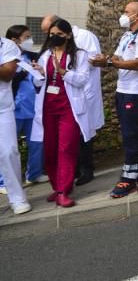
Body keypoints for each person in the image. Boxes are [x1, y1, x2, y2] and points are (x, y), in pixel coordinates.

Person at [89, 2, 138, 197]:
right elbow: (118, 56)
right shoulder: (127, 34)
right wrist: (106, 57)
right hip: (122, 88)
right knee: (132, 132)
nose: (123, 15)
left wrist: (108, 62)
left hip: (137, 91)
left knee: (131, 135)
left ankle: (129, 179)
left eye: (127, 12)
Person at [30, 19, 96, 208]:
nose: (54, 37)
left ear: (67, 35)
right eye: (52, 34)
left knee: (66, 149)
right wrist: (40, 73)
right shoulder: (45, 55)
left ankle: (63, 191)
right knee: (50, 151)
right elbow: (38, 83)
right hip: (48, 108)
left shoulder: (79, 55)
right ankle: (57, 186)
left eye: (59, 34)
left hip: (69, 108)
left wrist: (63, 71)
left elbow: (82, 80)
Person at [42, 14, 103, 186]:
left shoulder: (85, 38)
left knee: (83, 135)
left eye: (54, 32)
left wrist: (67, 67)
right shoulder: (48, 52)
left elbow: (93, 62)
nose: (51, 36)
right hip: (57, 100)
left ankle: (86, 170)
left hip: (82, 93)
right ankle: (71, 173)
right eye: (49, 33)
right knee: (64, 142)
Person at [0, 26, 46, 189]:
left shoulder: (31, 57)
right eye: (26, 37)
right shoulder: (7, 59)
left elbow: (40, 80)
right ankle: (4, 181)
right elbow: (8, 78)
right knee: (9, 147)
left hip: (32, 108)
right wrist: (21, 75)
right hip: (13, 109)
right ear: (14, 40)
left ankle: (34, 174)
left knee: (36, 142)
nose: (30, 40)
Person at [0, 36, 32, 215]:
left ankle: (17, 199)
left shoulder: (7, 45)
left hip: (3, 109)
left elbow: (7, 73)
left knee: (9, 151)